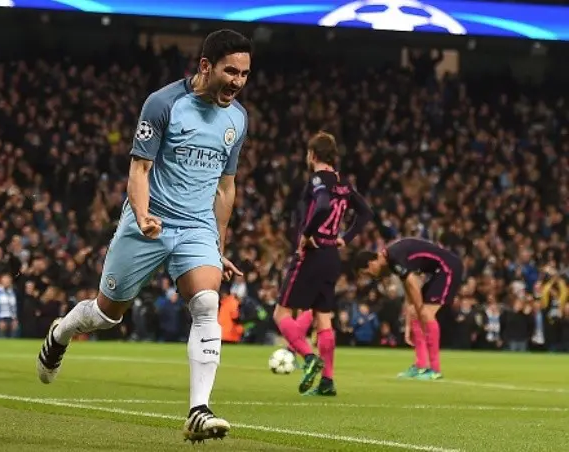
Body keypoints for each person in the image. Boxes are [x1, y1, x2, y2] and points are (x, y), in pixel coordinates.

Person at [36, 29, 251, 443]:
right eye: (231, 71)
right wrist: (142, 214)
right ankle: (61, 333)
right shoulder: (164, 103)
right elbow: (139, 169)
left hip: (195, 227)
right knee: (105, 314)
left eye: (244, 74)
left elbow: (226, 188)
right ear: (205, 66)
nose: (238, 82)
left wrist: (218, 243)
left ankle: (198, 410)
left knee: (207, 302)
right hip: (148, 221)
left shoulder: (237, 119)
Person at [274, 132, 372, 396]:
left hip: (312, 253)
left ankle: (308, 357)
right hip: (332, 255)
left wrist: (306, 235)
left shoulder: (318, 179)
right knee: (323, 319)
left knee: (281, 314)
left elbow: (322, 205)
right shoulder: (344, 182)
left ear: (312, 154)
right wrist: (345, 238)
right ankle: (327, 381)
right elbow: (366, 212)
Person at [352, 237, 463, 380]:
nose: (372, 277)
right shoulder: (391, 260)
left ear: (371, 263)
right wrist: (410, 313)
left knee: (426, 314)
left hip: (448, 268)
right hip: (437, 271)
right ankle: (421, 365)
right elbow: (407, 285)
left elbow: (413, 282)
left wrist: (419, 308)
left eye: (368, 273)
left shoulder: (394, 258)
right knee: (415, 313)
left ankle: (435, 370)